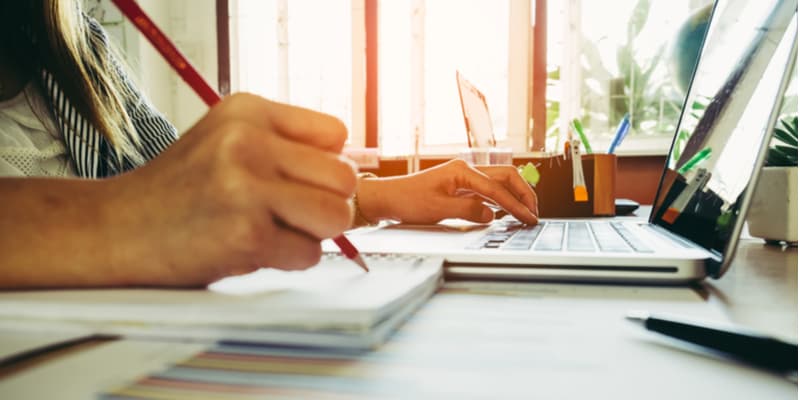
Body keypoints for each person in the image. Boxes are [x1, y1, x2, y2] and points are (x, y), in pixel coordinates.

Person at [0, 1, 538, 289]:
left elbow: (197, 201)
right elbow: (160, 211)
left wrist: (375, 199)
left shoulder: (84, 51)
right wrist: (122, 220)